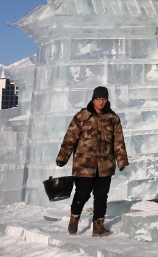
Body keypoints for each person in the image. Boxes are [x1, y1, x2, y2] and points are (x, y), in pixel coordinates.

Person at [55, 86, 128, 237]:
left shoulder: (113, 118)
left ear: (107, 100)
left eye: (103, 99)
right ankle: (74, 218)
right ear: (93, 100)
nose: (101, 102)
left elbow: (118, 141)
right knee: (82, 194)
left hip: (105, 165)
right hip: (84, 166)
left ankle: (98, 227)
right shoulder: (82, 116)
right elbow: (70, 138)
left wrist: (121, 160)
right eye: (98, 99)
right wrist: (63, 157)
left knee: (101, 196)